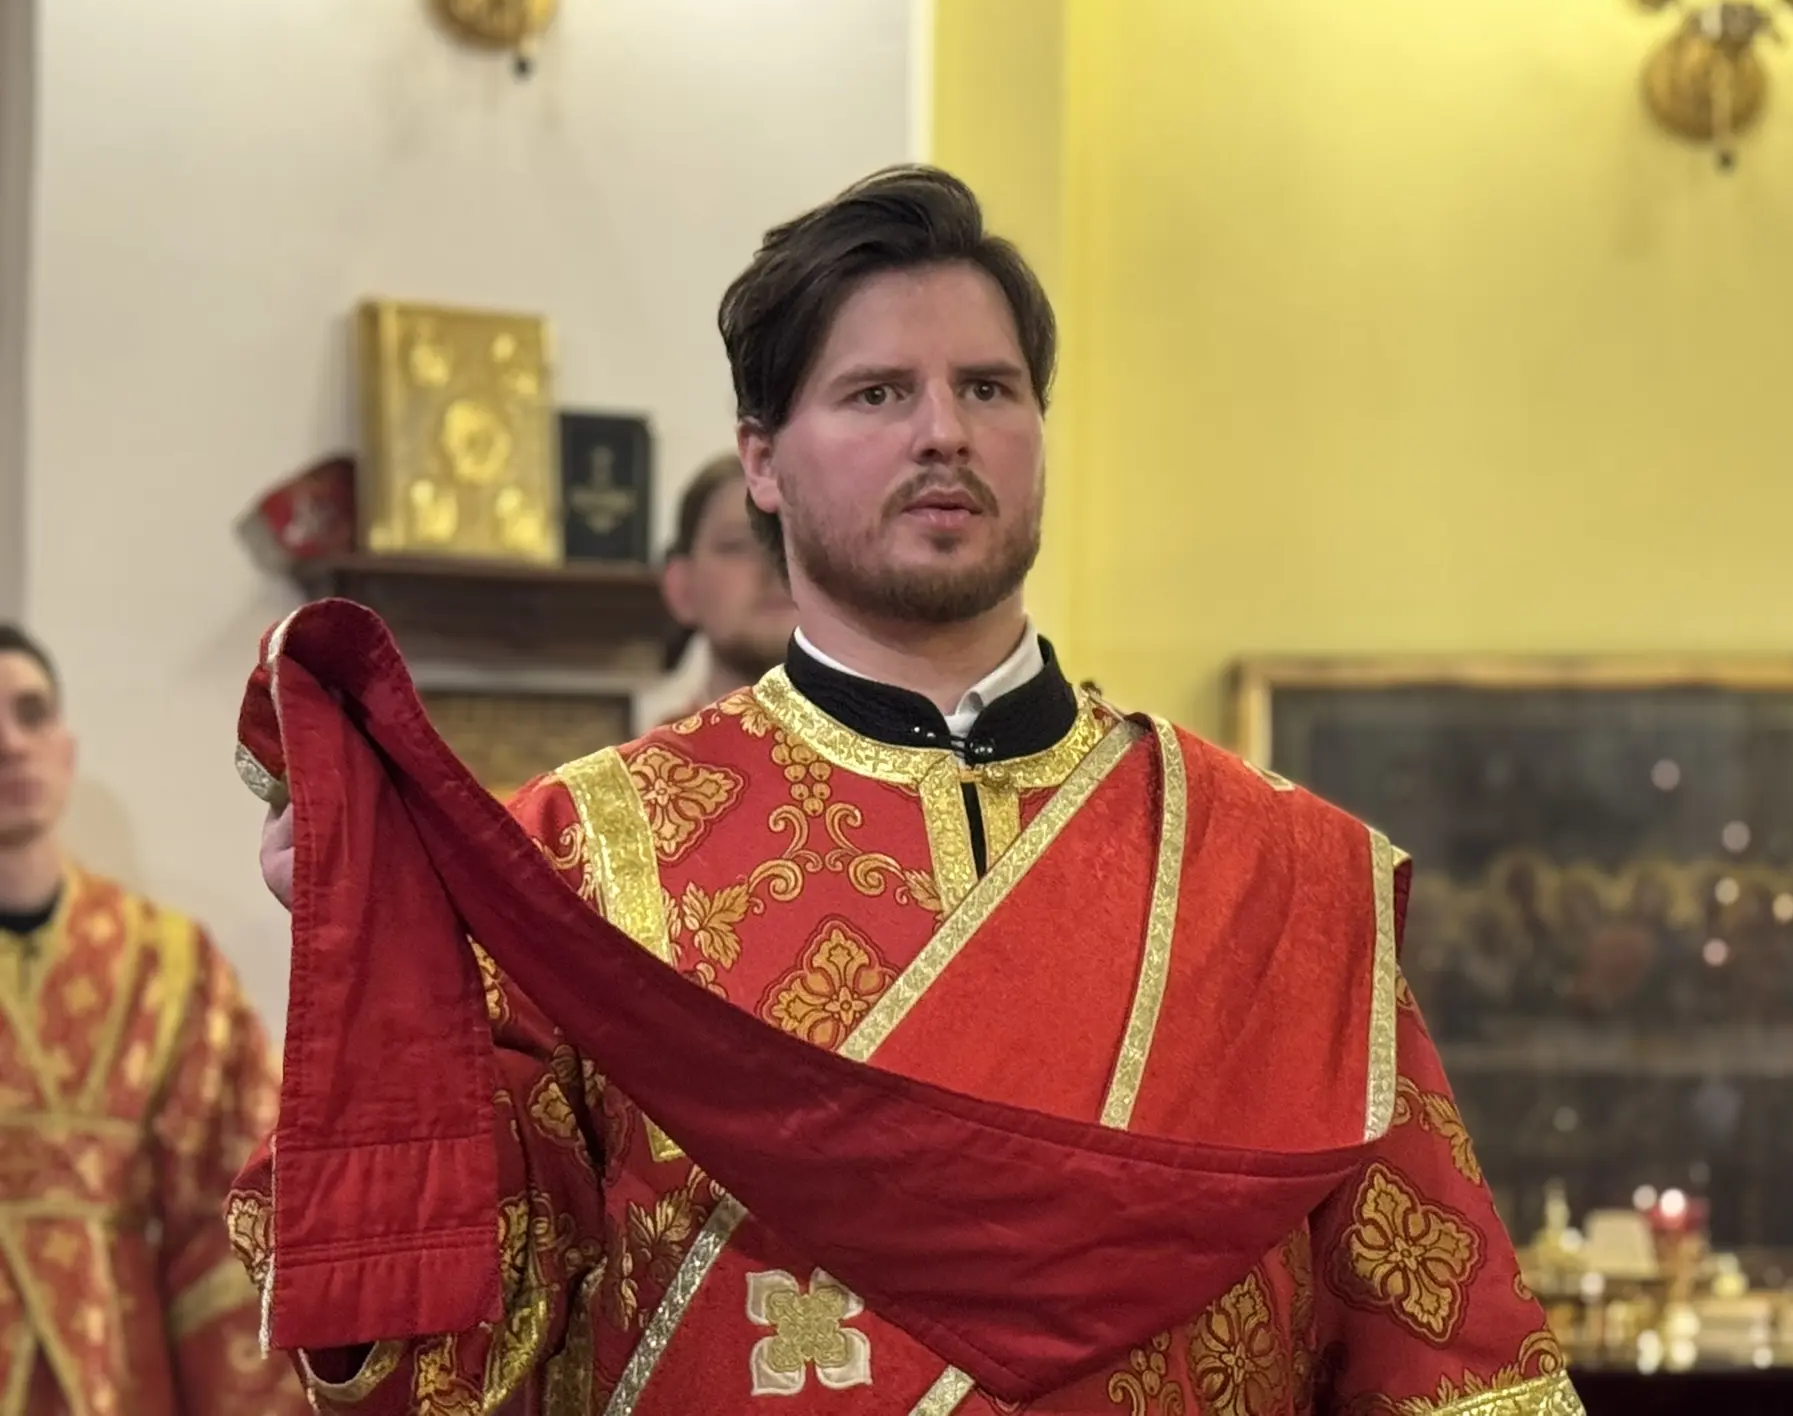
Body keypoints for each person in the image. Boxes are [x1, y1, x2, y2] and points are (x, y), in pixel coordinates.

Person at [241, 168, 1584, 1415]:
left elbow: (1445, 1348)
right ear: (763, 461)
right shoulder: (578, 858)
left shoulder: (1278, 870)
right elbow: (444, 1340)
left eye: (989, 388)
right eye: (878, 393)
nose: (945, 432)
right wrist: (374, 968)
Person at [0, 625, 305, 1414]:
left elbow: (230, 1222)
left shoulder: (167, 967)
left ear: (64, 748)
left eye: (30, 714)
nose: (9, 744)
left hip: (120, 1379)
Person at [635, 452, 798, 731]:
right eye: (737, 545)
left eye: (799, 541)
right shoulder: (650, 759)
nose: (776, 565)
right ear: (682, 589)